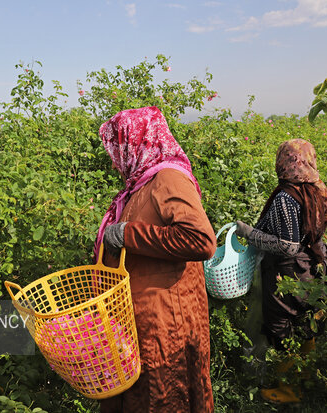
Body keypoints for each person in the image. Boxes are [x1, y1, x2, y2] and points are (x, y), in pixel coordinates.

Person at [94, 106, 217, 413]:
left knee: (164, 396)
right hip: (143, 319)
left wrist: (128, 235)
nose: (113, 160)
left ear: (138, 142)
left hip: (167, 320)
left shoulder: (169, 180)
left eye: (117, 148)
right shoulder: (141, 185)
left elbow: (201, 240)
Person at [235, 138, 327, 404]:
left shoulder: (286, 197)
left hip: (289, 270)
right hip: (313, 264)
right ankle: (306, 377)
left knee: (282, 325)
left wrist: (249, 233)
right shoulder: (317, 188)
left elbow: (288, 246)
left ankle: (288, 389)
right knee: (307, 319)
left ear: (284, 161)